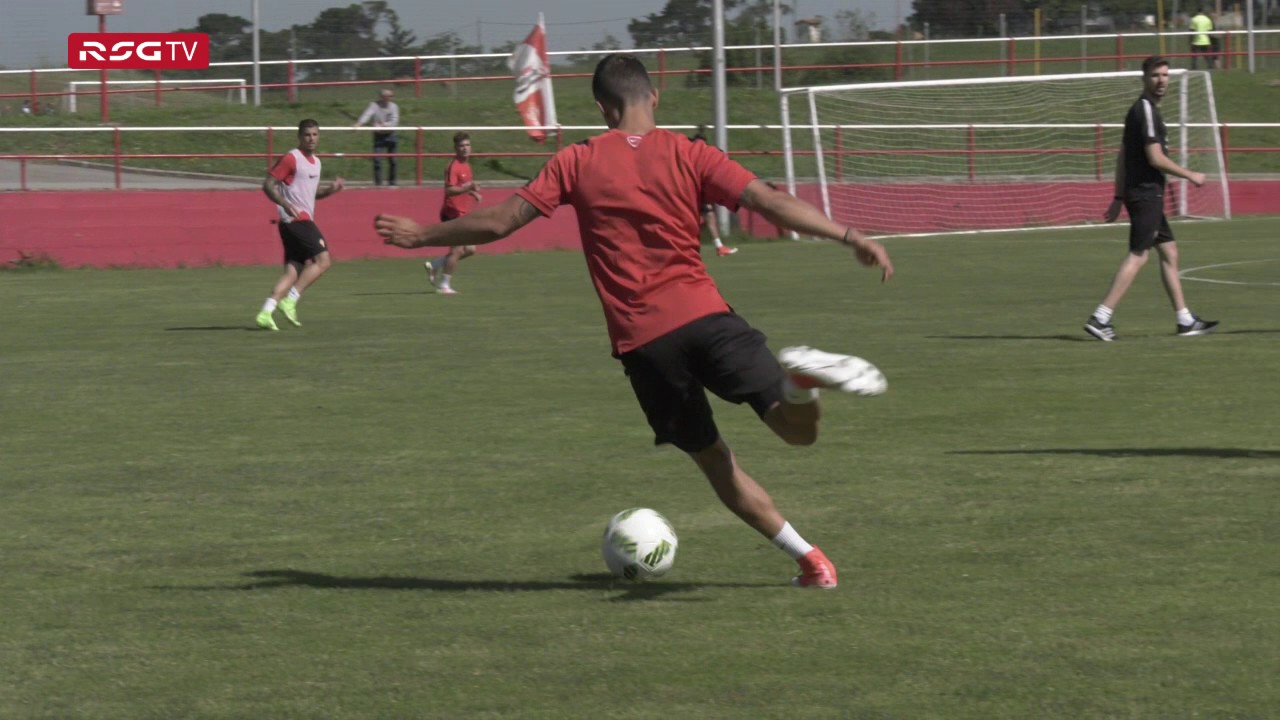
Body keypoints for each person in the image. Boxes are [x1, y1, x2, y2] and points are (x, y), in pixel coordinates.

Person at [376, 54, 895, 589]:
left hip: (647, 344)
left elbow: (504, 220)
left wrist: (421, 236)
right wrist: (850, 236)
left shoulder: (576, 160)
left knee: (716, 461)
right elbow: (768, 200)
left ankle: (811, 561)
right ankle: (800, 383)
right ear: (655, 97)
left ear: (603, 108)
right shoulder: (691, 152)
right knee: (795, 432)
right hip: (708, 317)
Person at [1083, 56, 1217, 342]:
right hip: (1146, 193)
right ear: (1144, 78)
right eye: (1156, 75)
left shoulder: (1142, 111)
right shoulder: (1144, 111)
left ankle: (1184, 320)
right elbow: (1155, 158)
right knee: (1139, 254)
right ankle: (1101, 317)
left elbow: (1122, 157)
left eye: (1165, 75)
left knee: (1169, 252)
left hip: (1141, 192)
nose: (1161, 81)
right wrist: (1190, 174)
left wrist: (1118, 196)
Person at [256, 119, 344, 331]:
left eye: (315, 134)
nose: (311, 139)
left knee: (293, 270)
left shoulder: (317, 163)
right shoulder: (291, 158)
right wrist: (285, 203)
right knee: (324, 260)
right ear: (299, 136)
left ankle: (266, 312)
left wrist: (331, 189)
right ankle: (291, 300)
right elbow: (267, 185)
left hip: (295, 222)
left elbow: (311, 194)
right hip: (297, 220)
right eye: (307, 135)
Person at [424, 132, 482, 295]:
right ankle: (444, 285)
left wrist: (472, 193)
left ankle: (435, 265)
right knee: (457, 250)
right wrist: (468, 188)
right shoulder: (453, 166)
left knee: (470, 249)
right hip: (452, 213)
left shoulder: (467, 165)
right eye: (461, 146)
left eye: (467, 145)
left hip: (462, 212)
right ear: (456, 148)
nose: (465, 149)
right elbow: (449, 190)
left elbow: (463, 186)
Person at [690, 125, 738, 256]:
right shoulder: (688, 155)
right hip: (687, 192)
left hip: (696, 191)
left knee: (709, 215)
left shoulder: (700, 154)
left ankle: (719, 246)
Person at [352, 89, 400, 186]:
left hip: (391, 135)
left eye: (390, 96)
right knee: (377, 160)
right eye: (385, 96)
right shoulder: (374, 105)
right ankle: (378, 184)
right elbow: (367, 115)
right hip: (378, 136)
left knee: (393, 160)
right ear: (381, 97)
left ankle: (392, 183)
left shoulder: (394, 107)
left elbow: (394, 121)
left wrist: (383, 125)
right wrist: (359, 124)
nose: (387, 98)